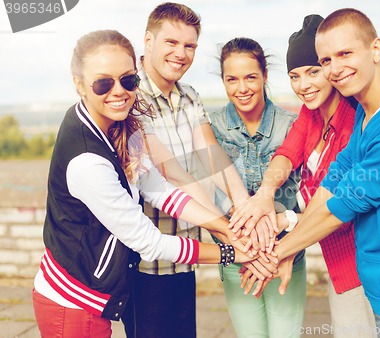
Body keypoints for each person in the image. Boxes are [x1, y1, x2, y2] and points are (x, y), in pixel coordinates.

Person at [32, 29, 253, 338]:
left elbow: (158, 187)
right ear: (80, 86)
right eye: (102, 83)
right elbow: (149, 242)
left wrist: (226, 228)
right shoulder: (87, 161)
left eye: (128, 80)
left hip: (90, 297)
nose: (118, 91)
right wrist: (231, 253)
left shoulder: (116, 123)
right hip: (72, 304)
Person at [253, 8, 380, 338]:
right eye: (327, 59)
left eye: (345, 53)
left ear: (376, 49)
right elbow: (335, 179)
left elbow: (341, 207)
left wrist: (277, 252)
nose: (335, 68)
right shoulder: (371, 107)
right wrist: (288, 240)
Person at [233, 15, 376, 336]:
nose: (304, 85)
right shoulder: (311, 114)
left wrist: (287, 231)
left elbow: (337, 201)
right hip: (335, 253)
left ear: (329, 68)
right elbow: (287, 153)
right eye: (295, 76)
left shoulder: (353, 120)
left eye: (313, 71)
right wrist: (263, 196)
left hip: (363, 257)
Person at [124, 3, 257, 337]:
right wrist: (231, 234)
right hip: (145, 261)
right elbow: (172, 174)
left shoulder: (189, 96)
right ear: (148, 41)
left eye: (190, 45)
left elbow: (211, 158)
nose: (181, 53)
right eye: (171, 42)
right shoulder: (128, 95)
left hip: (188, 251)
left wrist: (247, 211)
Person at [208, 37, 306, 337]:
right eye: (232, 79)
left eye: (251, 77)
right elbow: (207, 200)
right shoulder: (210, 128)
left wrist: (281, 251)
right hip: (236, 256)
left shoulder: (293, 125)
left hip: (286, 255)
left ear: (265, 75)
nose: (242, 88)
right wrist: (244, 246)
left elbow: (306, 197)